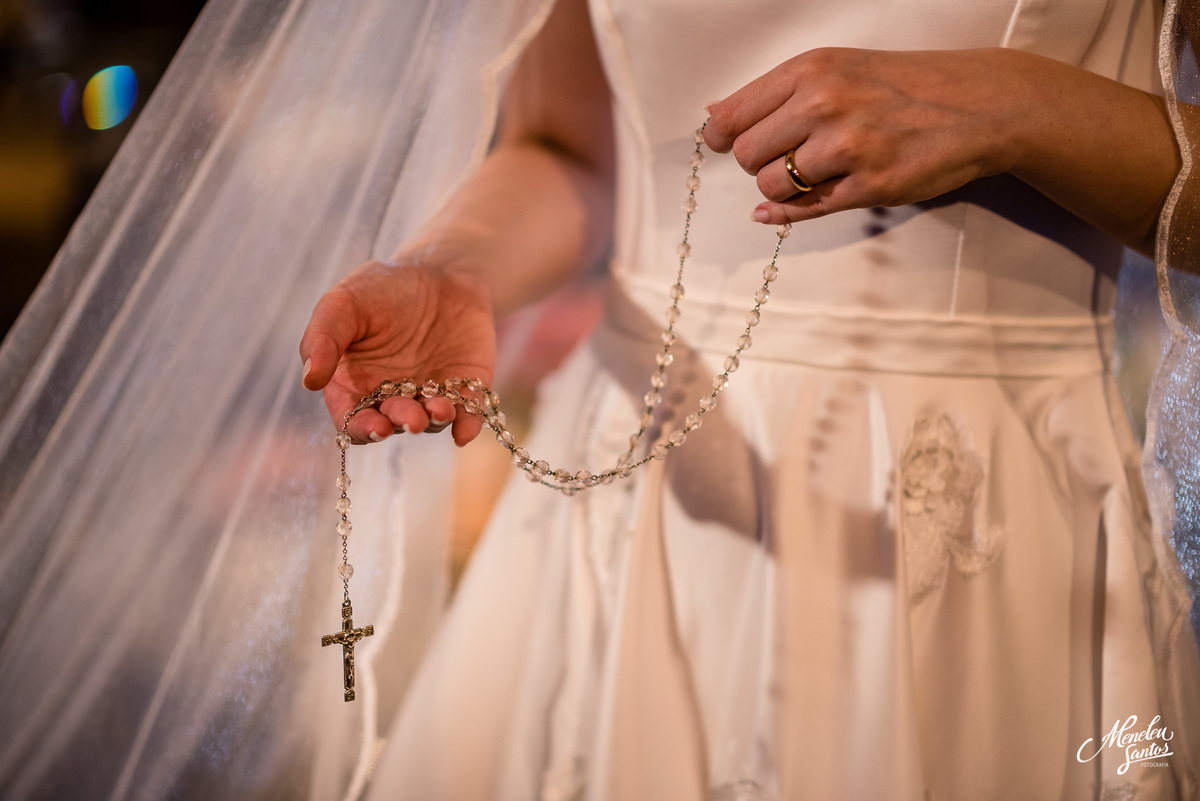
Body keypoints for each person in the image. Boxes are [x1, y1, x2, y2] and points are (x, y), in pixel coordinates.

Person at [299, 0, 1200, 799]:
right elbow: (564, 146)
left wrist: (1017, 103)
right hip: (647, 476)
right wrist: (453, 266)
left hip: (983, 503)